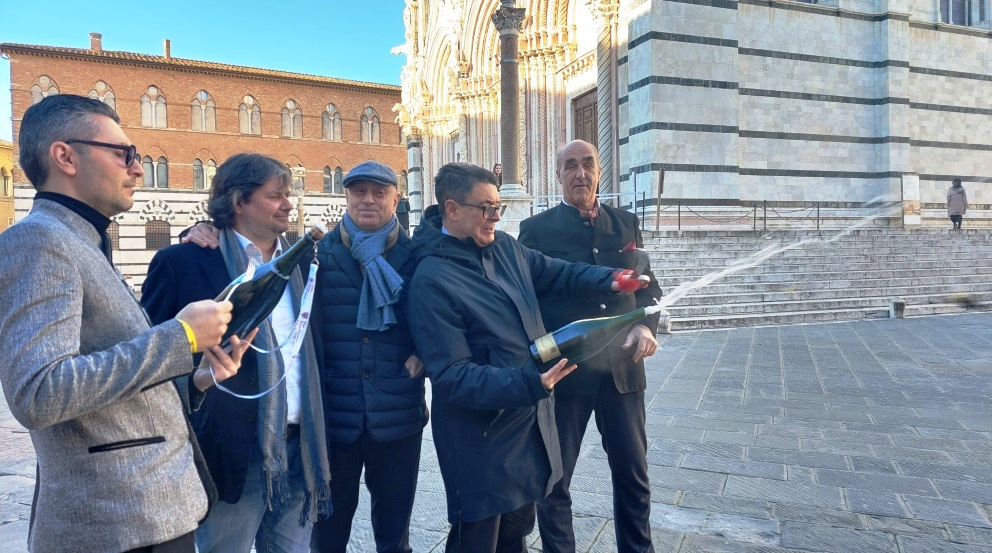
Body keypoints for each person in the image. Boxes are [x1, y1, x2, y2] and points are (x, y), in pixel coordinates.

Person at [0, 93, 250, 553]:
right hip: (115, 523)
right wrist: (181, 336)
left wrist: (196, 378)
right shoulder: (38, 241)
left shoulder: (83, 240)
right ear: (65, 157)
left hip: (148, 514)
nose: (138, 168)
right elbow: (38, 392)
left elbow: (113, 385)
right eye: (123, 153)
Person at [180, 160, 428, 553]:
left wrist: (425, 353)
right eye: (358, 191)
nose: (367, 199)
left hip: (397, 415)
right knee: (326, 536)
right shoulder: (314, 256)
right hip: (334, 420)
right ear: (346, 196)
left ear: (396, 199)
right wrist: (202, 228)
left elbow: (444, 312)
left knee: (395, 536)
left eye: (379, 192)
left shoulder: (419, 255)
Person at [407, 162, 645, 553]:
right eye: (486, 208)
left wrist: (610, 279)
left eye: (497, 207)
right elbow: (452, 376)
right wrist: (529, 383)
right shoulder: (432, 279)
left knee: (515, 534)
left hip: (527, 427)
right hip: (479, 440)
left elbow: (557, 272)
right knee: (477, 539)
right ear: (452, 209)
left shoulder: (506, 247)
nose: (496, 217)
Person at [142, 153, 332, 553]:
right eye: (275, 195)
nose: (288, 204)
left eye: (288, 194)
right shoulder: (183, 263)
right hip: (229, 450)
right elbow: (151, 359)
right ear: (239, 200)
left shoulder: (307, 261)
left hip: (301, 447)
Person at [519, 139, 662, 553]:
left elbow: (649, 289)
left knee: (634, 476)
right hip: (567, 374)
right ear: (558, 175)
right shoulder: (536, 230)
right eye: (570, 165)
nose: (580, 173)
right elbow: (527, 301)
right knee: (555, 480)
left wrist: (646, 327)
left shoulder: (626, 223)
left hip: (624, 370)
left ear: (600, 171)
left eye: (588, 164)